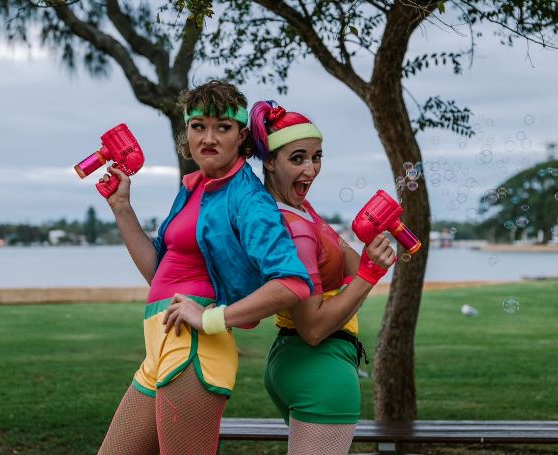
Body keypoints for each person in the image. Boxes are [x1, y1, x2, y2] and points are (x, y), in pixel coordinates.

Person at [96, 82, 313, 455]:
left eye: (222, 127)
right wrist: (121, 207)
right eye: (198, 126)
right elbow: (159, 275)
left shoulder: (247, 198)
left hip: (193, 351)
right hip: (160, 347)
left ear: (241, 135)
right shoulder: (193, 188)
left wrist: (212, 318)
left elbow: (292, 283)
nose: (208, 137)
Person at [249, 100, 397, 455]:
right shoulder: (295, 227)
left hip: (295, 362)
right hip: (320, 367)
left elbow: (348, 270)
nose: (311, 169)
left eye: (317, 157)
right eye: (297, 158)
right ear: (269, 161)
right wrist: (371, 272)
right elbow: (313, 328)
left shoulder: (298, 208)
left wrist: (366, 249)